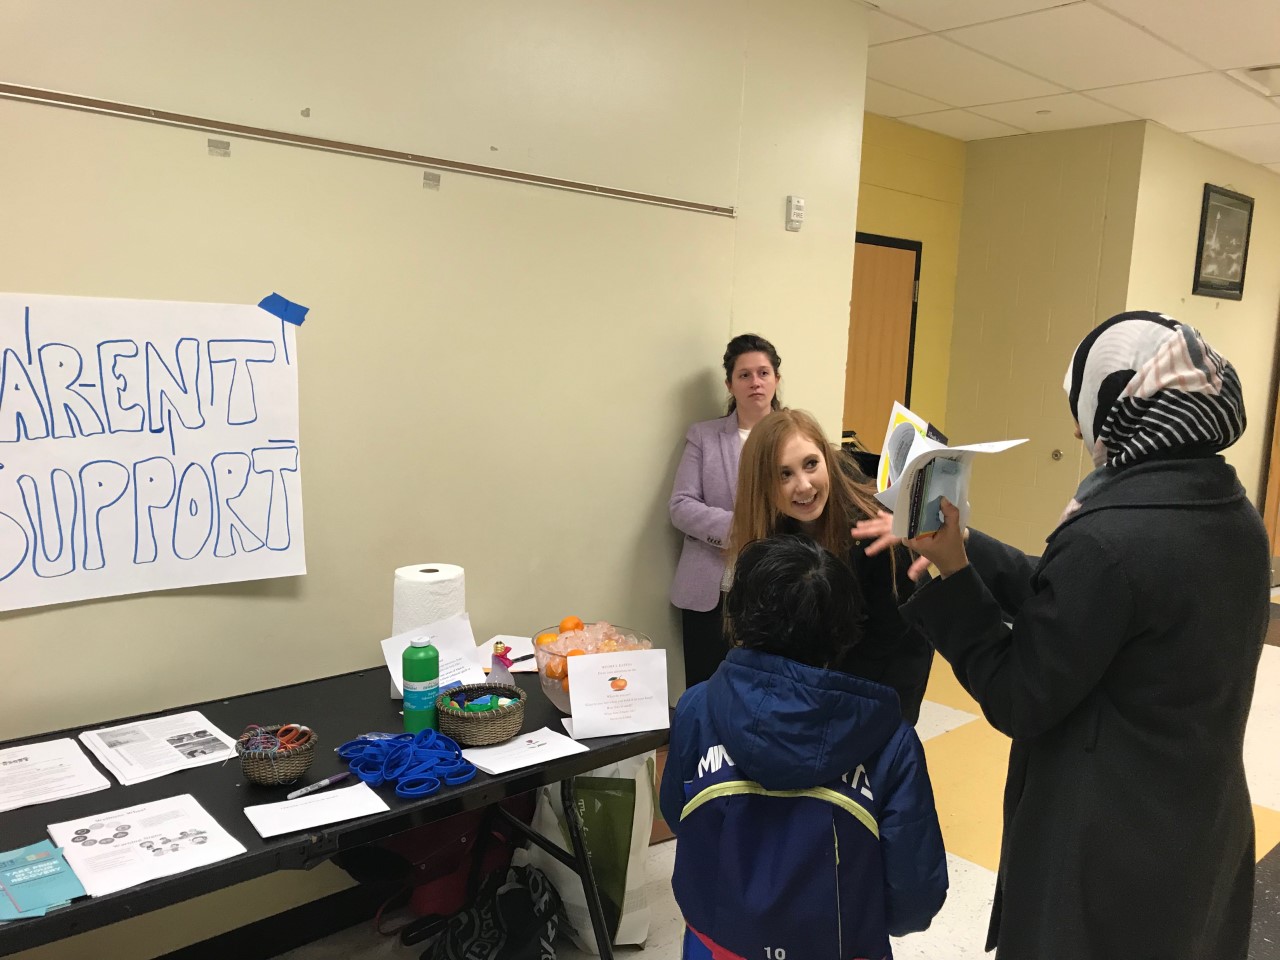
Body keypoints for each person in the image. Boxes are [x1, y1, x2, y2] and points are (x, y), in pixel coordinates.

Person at [855, 311, 1268, 959]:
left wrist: (953, 576)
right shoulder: (1229, 512)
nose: (1075, 428)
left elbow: (1022, 694)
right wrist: (967, 544)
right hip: (1196, 824)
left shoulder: (1110, 539)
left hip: (1109, 845)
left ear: (1118, 406)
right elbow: (1080, 602)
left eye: (1081, 407)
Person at [660, 534, 947, 960]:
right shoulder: (891, 741)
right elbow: (915, 891)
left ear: (737, 615)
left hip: (714, 944)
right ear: (845, 632)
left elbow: (677, 815)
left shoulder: (697, 709)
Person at [730, 407, 934, 723]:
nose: (804, 486)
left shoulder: (874, 527)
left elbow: (888, 630)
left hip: (889, 662)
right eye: (784, 474)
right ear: (763, 485)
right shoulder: (771, 532)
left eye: (811, 464)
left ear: (827, 459)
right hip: (827, 663)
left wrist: (826, 693)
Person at [669, 333, 782, 687]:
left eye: (763, 373)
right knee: (705, 688)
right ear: (729, 384)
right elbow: (681, 506)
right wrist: (741, 527)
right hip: (710, 589)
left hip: (774, 586)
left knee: (763, 690)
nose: (755, 383)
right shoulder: (704, 435)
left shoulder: (796, 436)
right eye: (744, 375)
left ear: (777, 380)